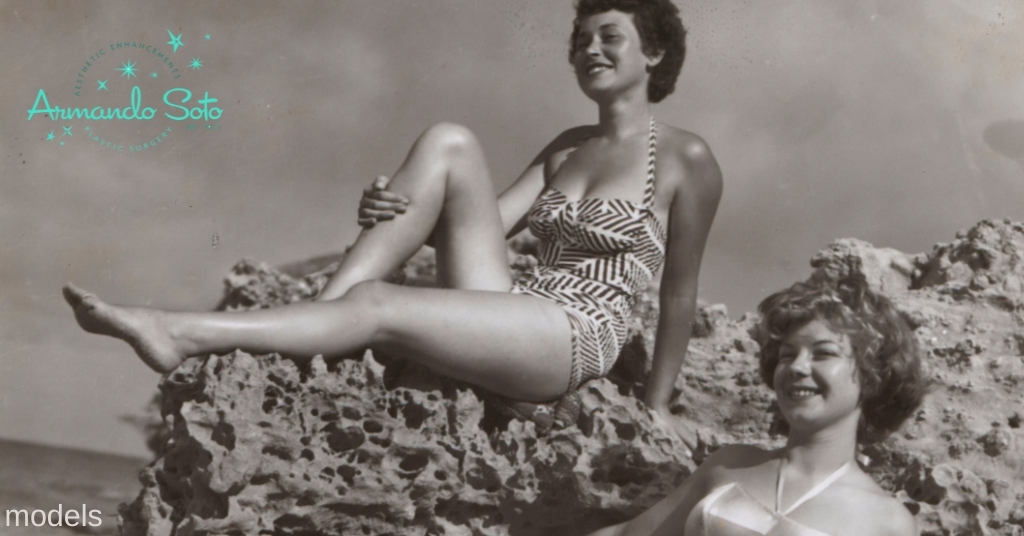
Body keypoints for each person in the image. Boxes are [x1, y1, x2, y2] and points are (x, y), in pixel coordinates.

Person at [63, 0, 722, 442]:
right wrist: (392, 209)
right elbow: (476, 226)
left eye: (610, 37)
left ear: (655, 53)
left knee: (379, 303)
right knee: (450, 140)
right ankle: (323, 321)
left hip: (573, 337)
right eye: (580, 41)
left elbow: (678, 294)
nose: (589, 51)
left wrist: (657, 407)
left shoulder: (686, 157)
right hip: (514, 307)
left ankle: (180, 331)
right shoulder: (566, 147)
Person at [585, 275, 927, 536]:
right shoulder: (729, 465)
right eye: (787, 354)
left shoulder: (888, 521)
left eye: (823, 353)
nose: (796, 367)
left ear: (872, 376)